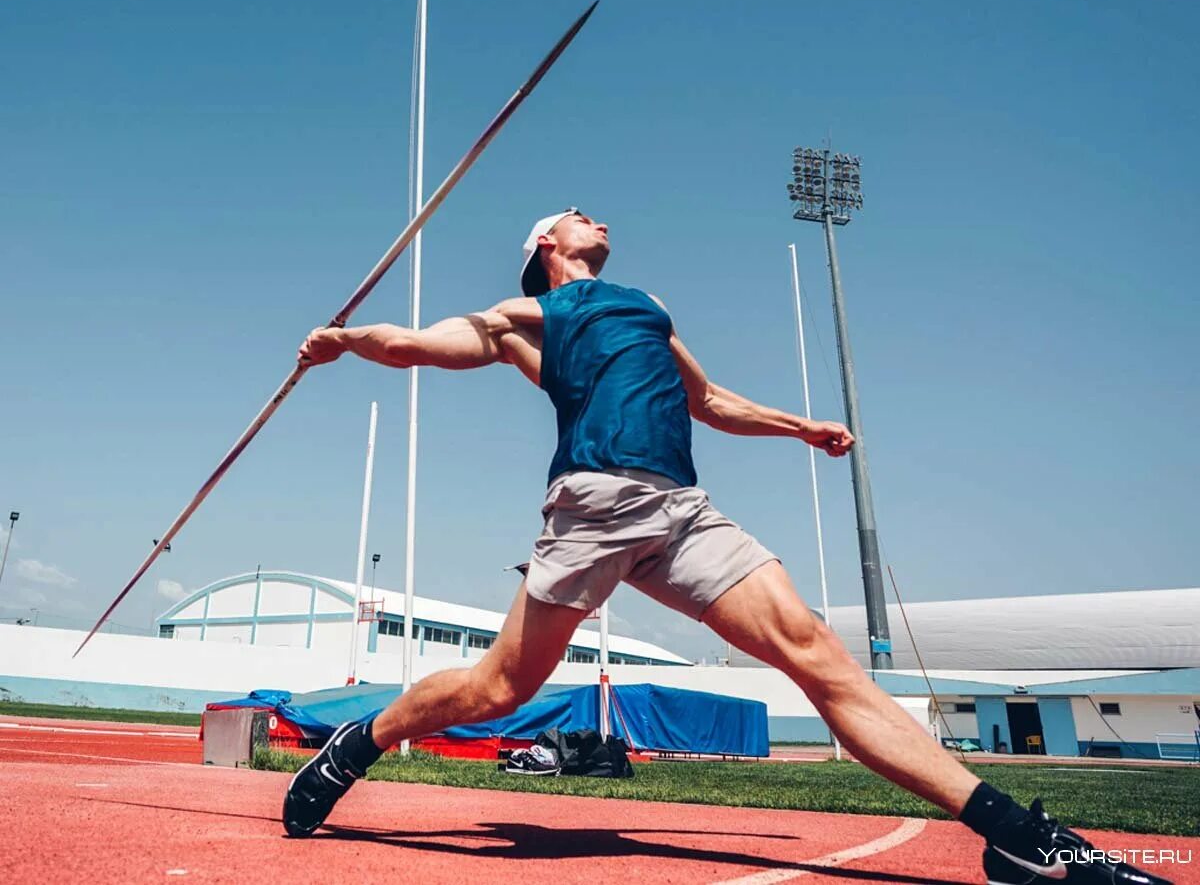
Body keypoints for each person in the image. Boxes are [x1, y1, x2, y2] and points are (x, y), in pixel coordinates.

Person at [284, 209, 1169, 884]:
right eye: (576, 213)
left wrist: (800, 428)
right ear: (550, 243)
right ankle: (358, 744)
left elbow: (709, 403)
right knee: (498, 688)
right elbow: (422, 344)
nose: (595, 217)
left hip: (682, 511)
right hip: (593, 505)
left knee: (818, 656)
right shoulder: (523, 314)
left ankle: (1019, 840)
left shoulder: (645, 307)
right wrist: (349, 341)